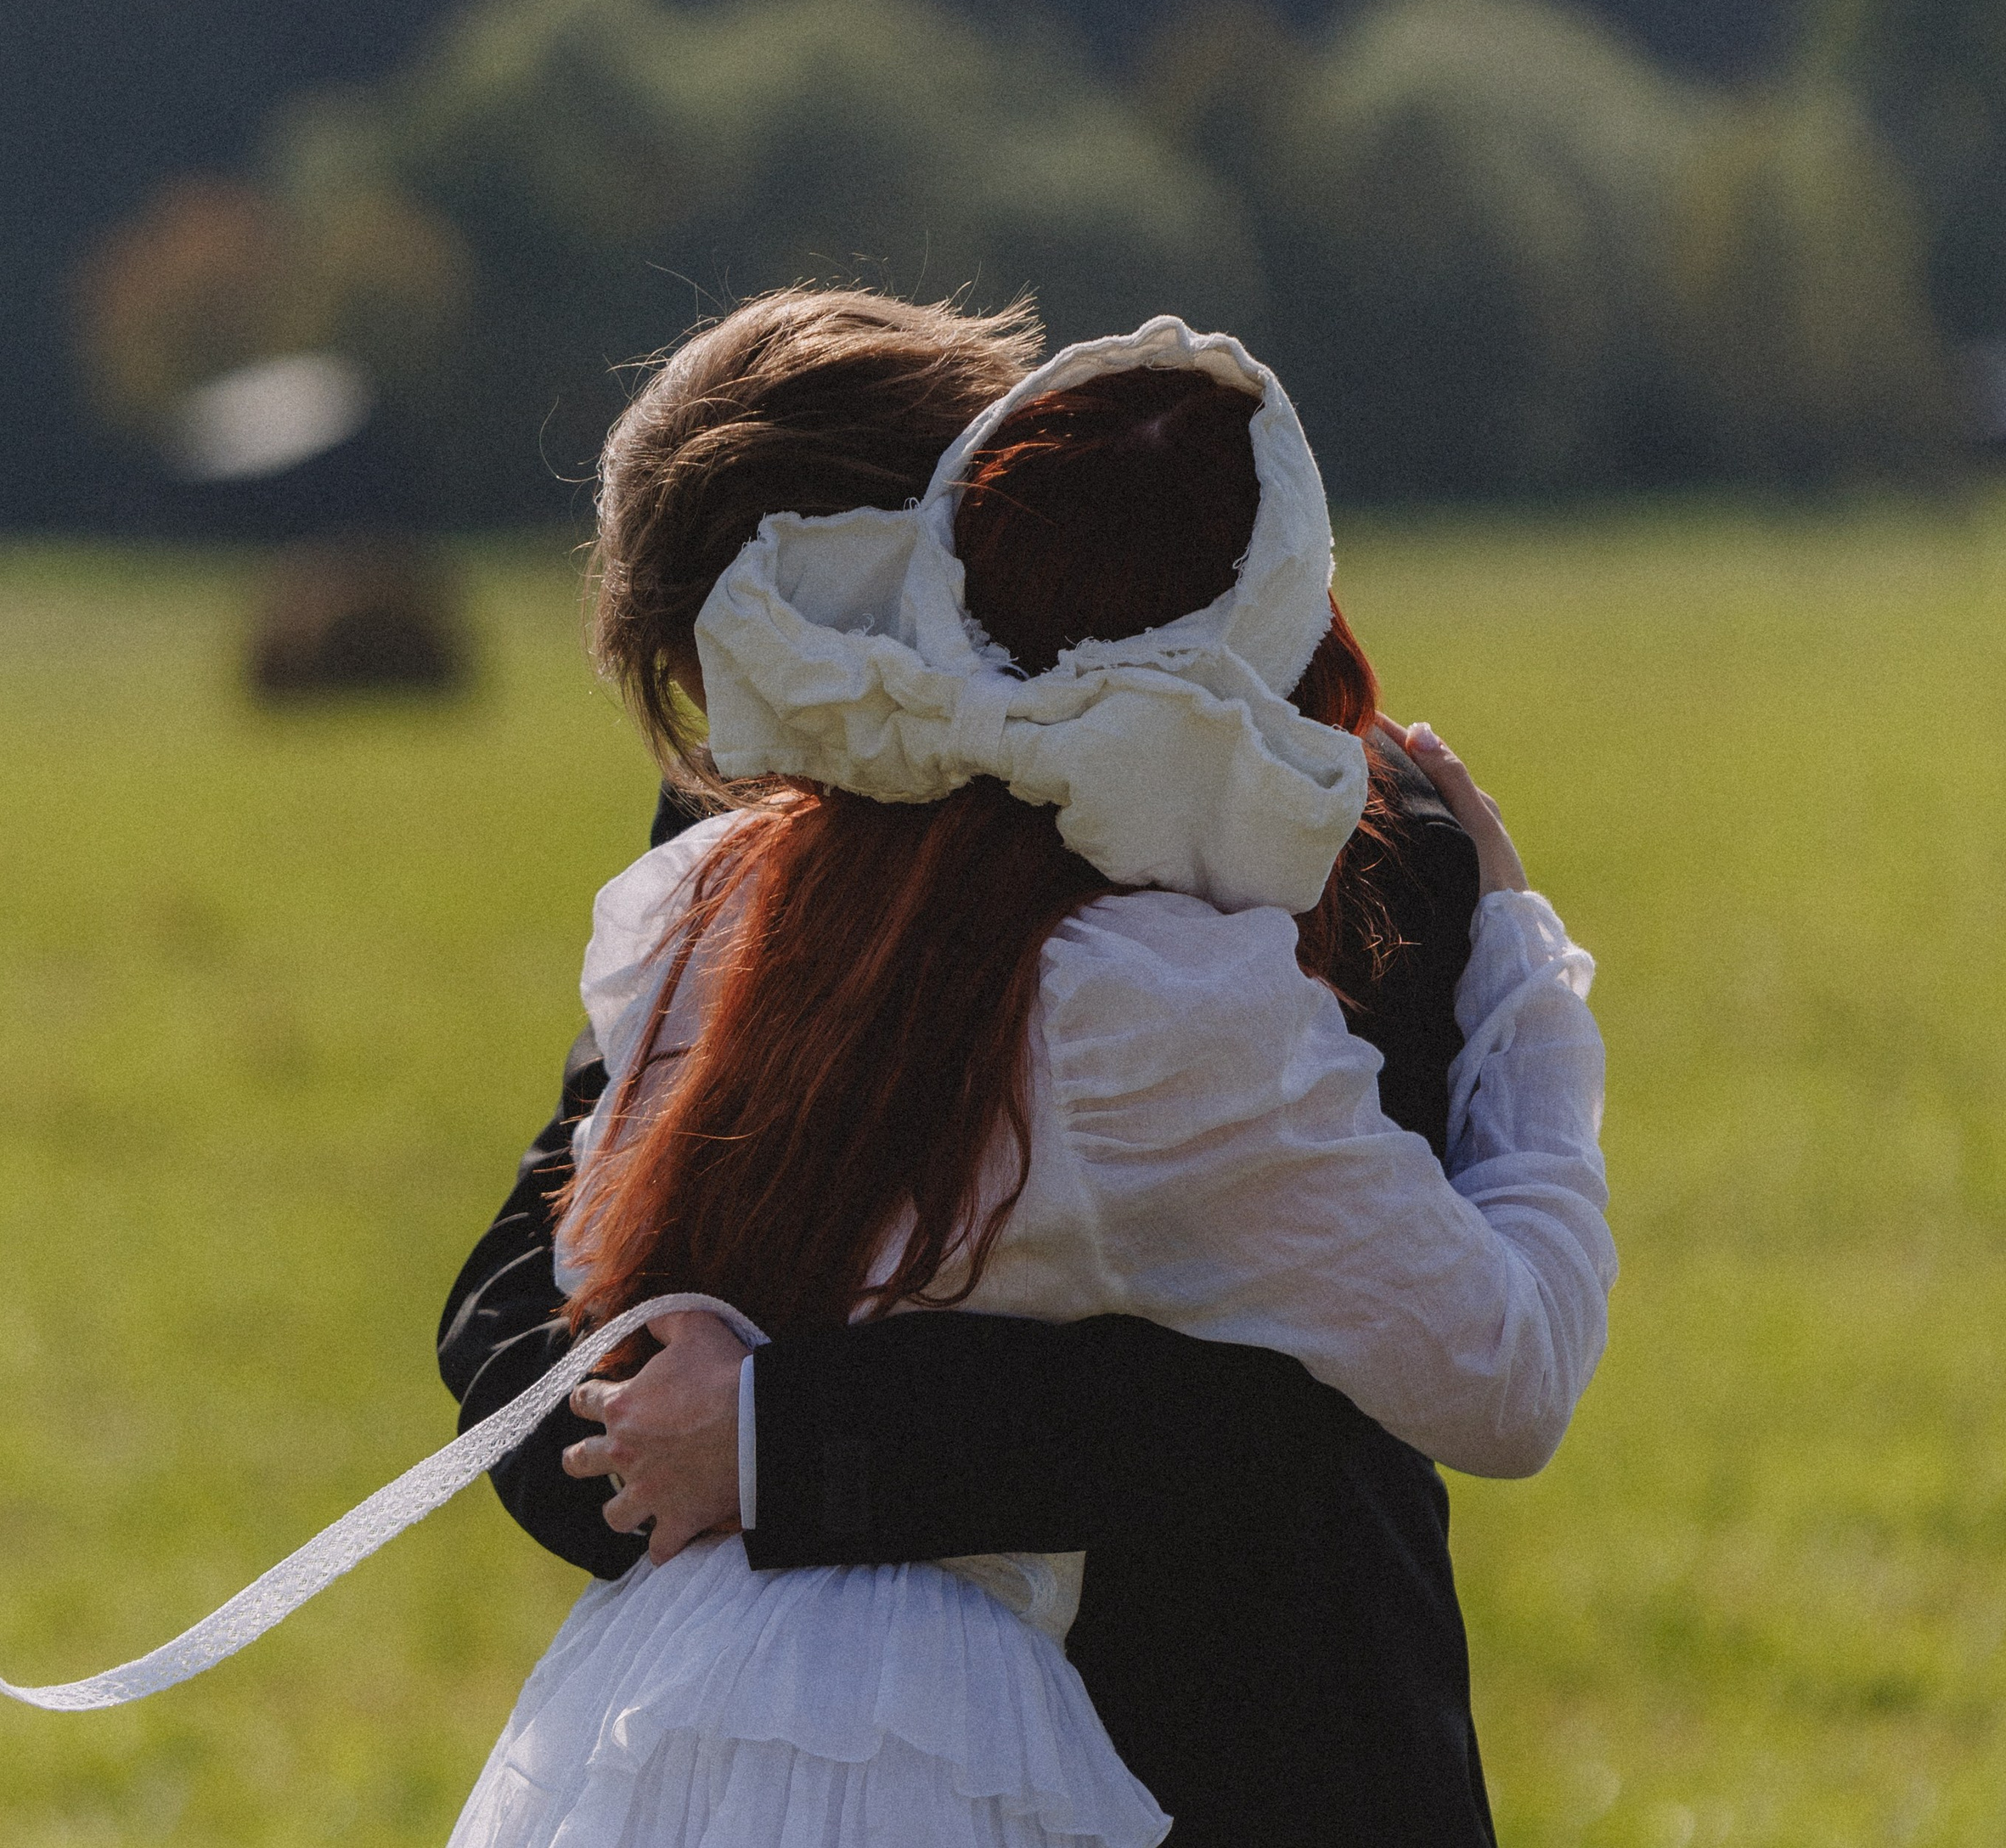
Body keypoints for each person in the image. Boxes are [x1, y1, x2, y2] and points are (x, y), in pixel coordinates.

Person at [442, 306, 1611, 1845]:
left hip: (1255, 1748)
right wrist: (664, 1447)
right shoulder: (729, 864)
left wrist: (784, 1443)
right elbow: (529, 1296)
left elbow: (1280, 1408)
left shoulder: (1340, 840)